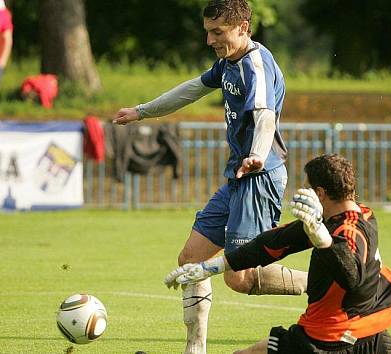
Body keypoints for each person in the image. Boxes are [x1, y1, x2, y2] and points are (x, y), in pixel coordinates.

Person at [114, 1, 308, 353]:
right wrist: (141, 112)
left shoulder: (256, 65)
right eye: (207, 31)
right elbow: (191, 89)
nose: (209, 40)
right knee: (191, 259)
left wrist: (256, 156)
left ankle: (328, 282)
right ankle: (196, 348)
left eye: (217, 32)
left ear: (243, 27)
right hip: (238, 177)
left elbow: (265, 117)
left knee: (240, 277)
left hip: (260, 176)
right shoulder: (228, 63)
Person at [166, 154, 391, 354]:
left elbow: (351, 274)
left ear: (320, 193)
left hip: (322, 340)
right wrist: (207, 268)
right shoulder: (361, 215)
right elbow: (273, 243)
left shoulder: (345, 230)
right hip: (370, 331)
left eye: (310, 188)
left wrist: (321, 237)